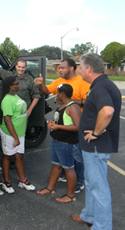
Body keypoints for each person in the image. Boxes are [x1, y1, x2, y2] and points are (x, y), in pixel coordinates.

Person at [70, 53, 121, 230]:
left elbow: (107, 111)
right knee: (92, 184)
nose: (79, 71)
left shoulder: (100, 87)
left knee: (99, 188)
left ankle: (102, 227)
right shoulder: (102, 84)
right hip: (92, 147)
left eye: (81, 67)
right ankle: (89, 216)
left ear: (89, 69)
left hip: (96, 146)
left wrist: (96, 133)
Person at [34, 58, 90, 193]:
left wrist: (68, 102)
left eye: (62, 68)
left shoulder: (82, 82)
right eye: (59, 68)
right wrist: (41, 84)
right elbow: (47, 92)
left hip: (75, 125)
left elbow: (88, 102)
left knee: (77, 156)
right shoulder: (59, 82)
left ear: (72, 68)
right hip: (61, 127)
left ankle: (79, 181)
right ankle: (65, 176)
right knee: (62, 155)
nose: (59, 70)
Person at [37, 84, 81, 203]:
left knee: (68, 169)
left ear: (62, 94)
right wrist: (52, 123)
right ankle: (50, 188)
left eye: (57, 93)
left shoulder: (72, 107)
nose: (56, 95)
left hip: (66, 143)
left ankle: (70, 195)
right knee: (56, 165)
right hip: (56, 141)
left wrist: (57, 126)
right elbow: (61, 121)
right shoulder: (62, 106)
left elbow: (77, 126)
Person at [0, 46, 41, 118]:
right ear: (16, 66)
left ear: (26, 67)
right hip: (8, 111)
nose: (21, 69)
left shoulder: (30, 80)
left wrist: (29, 110)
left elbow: (36, 96)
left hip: (22, 112)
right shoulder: (9, 75)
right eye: (19, 67)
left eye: (23, 67)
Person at [0, 76, 35, 193]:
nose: (19, 85)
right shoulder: (7, 100)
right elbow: (7, 120)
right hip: (10, 133)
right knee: (8, 156)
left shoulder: (15, 96)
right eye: (16, 84)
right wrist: (15, 137)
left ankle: (22, 180)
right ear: (11, 87)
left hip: (20, 133)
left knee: (19, 156)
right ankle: (6, 181)